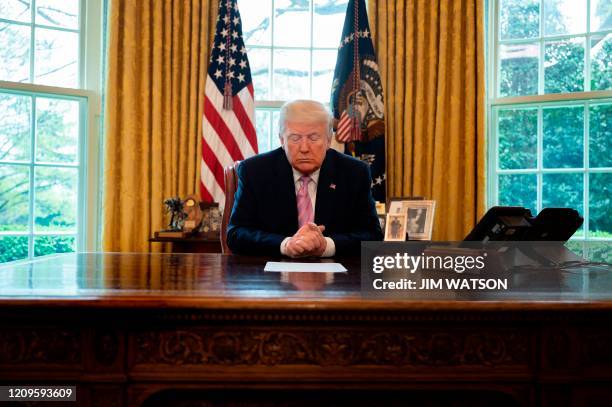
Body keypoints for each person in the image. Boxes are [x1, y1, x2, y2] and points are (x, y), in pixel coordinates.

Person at [227, 99, 383, 257]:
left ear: (329, 140)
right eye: (295, 138)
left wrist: (326, 245)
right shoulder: (254, 171)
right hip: (271, 276)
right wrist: (285, 245)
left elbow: (373, 236)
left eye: (314, 138)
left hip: (336, 275)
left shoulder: (354, 173)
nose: (304, 148)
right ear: (282, 140)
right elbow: (235, 234)